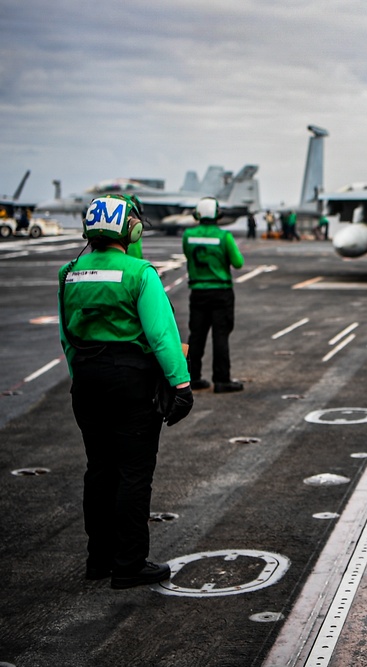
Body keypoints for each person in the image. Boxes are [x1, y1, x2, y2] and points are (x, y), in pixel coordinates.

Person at [59, 194, 193, 589]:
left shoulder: (70, 272)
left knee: (99, 469)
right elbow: (162, 336)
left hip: (86, 377)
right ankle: (129, 563)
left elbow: (67, 336)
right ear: (130, 228)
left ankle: (98, 560)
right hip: (130, 380)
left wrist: (78, 376)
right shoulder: (139, 273)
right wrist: (181, 384)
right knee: (134, 473)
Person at [182, 197, 246, 393]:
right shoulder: (223, 237)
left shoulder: (188, 236)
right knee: (221, 336)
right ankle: (221, 379)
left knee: (196, 336)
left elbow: (187, 254)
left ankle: (192, 377)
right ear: (218, 215)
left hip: (198, 293)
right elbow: (238, 263)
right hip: (221, 292)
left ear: (197, 215)